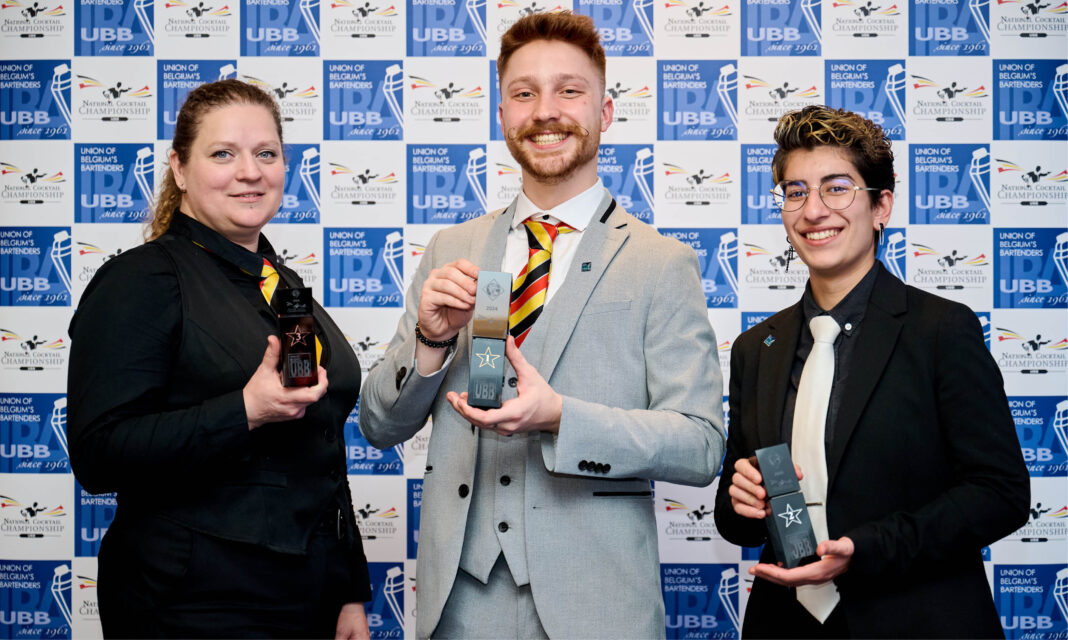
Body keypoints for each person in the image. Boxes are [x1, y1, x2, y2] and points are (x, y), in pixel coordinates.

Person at [359, 12, 724, 639]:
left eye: (569, 91)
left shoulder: (662, 263)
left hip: (598, 600)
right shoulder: (451, 247)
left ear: (605, 112)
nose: (545, 111)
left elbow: (699, 446)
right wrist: (431, 342)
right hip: (458, 606)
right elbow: (379, 425)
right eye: (523, 93)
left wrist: (562, 417)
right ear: (502, 113)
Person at [67, 79, 371, 639]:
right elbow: (98, 455)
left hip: (304, 598)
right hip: (191, 602)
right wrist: (246, 410)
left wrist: (348, 588)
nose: (250, 172)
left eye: (265, 154)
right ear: (180, 169)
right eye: (223, 154)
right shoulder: (142, 280)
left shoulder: (284, 287)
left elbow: (323, 445)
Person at [713, 105, 1029, 638]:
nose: (813, 210)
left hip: (917, 621)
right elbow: (733, 519)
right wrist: (742, 502)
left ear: (882, 205)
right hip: (784, 624)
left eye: (837, 189)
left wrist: (868, 549)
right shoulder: (755, 348)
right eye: (795, 192)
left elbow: (1001, 493)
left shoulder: (940, 331)